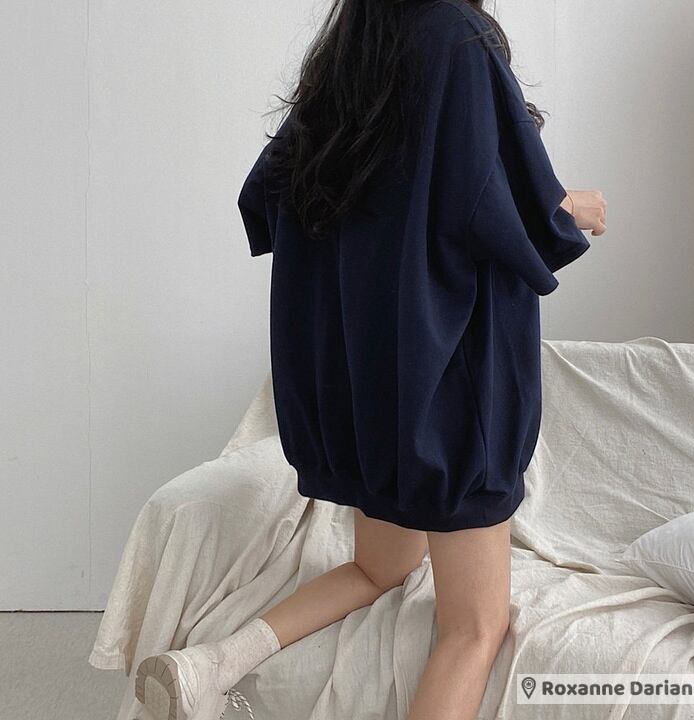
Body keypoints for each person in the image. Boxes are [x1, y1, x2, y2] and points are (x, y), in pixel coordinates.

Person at [134, 1, 607, 719]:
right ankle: (209, 666)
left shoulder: (356, 43)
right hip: (450, 400)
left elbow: (271, 195)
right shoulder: (460, 38)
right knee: (476, 627)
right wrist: (569, 209)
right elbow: (492, 208)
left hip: (366, 392)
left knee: (379, 565)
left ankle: (208, 665)